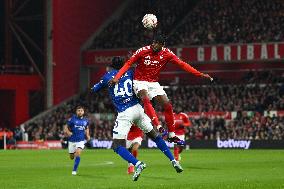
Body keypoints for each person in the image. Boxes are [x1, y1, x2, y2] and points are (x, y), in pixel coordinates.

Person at [109, 35, 213, 144]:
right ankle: (158, 126)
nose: (154, 44)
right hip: (139, 81)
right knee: (145, 98)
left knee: (167, 105)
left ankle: (172, 135)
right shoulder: (142, 51)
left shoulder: (167, 54)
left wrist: (200, 74)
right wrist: (117, 77)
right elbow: (128, 63)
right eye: (153, 42)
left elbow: (182, 64)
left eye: (157, 43)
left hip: (153, 82)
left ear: (162, 45)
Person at [92, 56, 183, 181]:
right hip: (138, 109)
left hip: (125, 112)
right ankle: (173, 160)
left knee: (117, 146)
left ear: (112, 66)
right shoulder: (131, 71)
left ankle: (137, 164)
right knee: (155, 136)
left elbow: (94, 89)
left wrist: (103, 85)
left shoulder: (108, 76)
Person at [63, 106, 90, 176]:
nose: (80, 112)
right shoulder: (72, 119)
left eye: (81, 110)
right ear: (76, 111)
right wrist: (68, 132)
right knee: (71, 157)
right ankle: (73, 154)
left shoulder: (86, 120)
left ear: (83, 112)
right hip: (72, 140)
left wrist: (87, 135)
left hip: (80, 140)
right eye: (78, 110)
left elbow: (87, 128)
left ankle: (74, 170)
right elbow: (66, 127)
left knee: (77, 153)